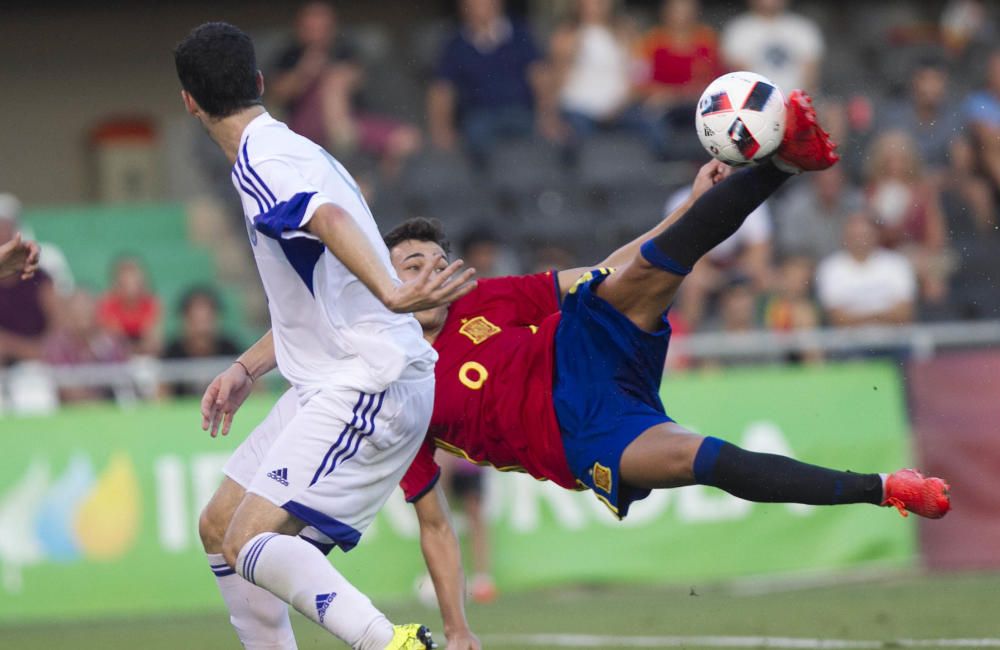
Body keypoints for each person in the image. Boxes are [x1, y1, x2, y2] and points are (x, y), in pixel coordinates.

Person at [210, 92, 950, 648]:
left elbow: (601, 269)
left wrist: (689, 206)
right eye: (412, 264)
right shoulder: (396, 393)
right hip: (586, 435)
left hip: (586, 346)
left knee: (657, 266)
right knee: (706, 461)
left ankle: (785, 162)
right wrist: (458, 627)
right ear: (387, 280)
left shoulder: (490, 299)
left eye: (438, 261)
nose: (434, 270)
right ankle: (884, 491)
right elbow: (434, 524)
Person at [174, 22, 475, 650]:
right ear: (259, 83)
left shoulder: (265, 160)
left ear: (189, 101)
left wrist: (394, 292)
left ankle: (389, 644)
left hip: (369, 378)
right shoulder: (287, 149)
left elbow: (327, 217)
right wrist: (249, 367)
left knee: (253, 539)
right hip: (330, 374)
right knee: (220, 526)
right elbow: (316, 293)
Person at [268, 2, 421, 177]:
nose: (318, 33)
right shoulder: (289, 54)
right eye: (312, 27)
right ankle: (347, 152)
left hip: (349, 124)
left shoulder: (344, 50)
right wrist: (304, 72)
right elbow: (277, 94)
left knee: (407, 140)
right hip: (305, 130)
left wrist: (336, 75)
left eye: (324, 27)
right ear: (301, 28)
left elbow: (357, 77)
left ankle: (383, 186)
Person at [427, 0, 559, 163]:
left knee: (538, 150)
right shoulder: (454, 44)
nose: (480, 6)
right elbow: (442, 90)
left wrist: (548, 116)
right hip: (478, 118)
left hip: (520, 112)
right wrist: (441, 129)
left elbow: (540, 77)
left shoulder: (520, 34)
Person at [863, 131, 951, 304]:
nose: (895, 166)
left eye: (901, 159)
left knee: (933, 281)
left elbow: (936, 237)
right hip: (881, 258)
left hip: (918, 256)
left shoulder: (924, 192)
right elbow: (868, 236)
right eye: (889, 160)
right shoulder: (870, 193)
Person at [632, 0, 722, 159]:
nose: (682, 15)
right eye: (677, 9)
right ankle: (664, 164)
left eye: (687, 9)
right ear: (666, 12)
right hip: (664, 103)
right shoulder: (652, 41)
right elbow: (639, 81)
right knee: (650, 120)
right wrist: (664, 95)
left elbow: (718, 78)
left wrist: (693, 93)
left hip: (697, 101)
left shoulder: (707, 38)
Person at [548, 0, 636, 143]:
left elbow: (632, 74)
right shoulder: (566, 35)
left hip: (618, 109)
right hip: (579, 109)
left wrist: (620, 105)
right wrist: (551, 115)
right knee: (577, 140)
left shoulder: (622, 33)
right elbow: (557, 77)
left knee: (650, 129)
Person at [815, 212, 918, 327]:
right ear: (845, 236)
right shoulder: (830, 268)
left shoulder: (897, 263)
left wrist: (858, 317)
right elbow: (837, 318)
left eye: (864, 235)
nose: (860, 240)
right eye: (855, 235)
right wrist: (880, 315)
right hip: (847, 342)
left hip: (894, 340)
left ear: (876, 235)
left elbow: (904, 314)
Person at [43, 288, 129, 404]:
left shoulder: (110, 341)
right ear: (67, 314)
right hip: (72, 413)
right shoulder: (57, 345)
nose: (82, 314)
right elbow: (67, 389)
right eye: (76, 310)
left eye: (86, 308)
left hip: (112, 409)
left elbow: (122, 379)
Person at [721, 0, 824, 94]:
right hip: (754, 104)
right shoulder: (738, 30)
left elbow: (810, 76)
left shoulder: (804, 28)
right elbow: (740, 77)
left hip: (795, 104)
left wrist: (799, 105)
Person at [0, 201, 56, 365]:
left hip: (36, 364)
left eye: (6, 227)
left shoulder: (39, 278)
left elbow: (58, 326)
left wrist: (20, 349)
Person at [162, 286, 242, 397]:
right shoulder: (171, 354)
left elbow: (255, 387)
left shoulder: (231, 350)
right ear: (185, 320)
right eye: (196, 321)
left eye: (207, 320)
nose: (202, 329)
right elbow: (161, 395)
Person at [97, 256, 163, 356]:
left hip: (145, 358)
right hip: (115, 358)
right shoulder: (106, 304)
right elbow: (114, 342)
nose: (130, 282)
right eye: (125, 278)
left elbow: (153, 345)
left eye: (134, 277)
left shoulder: (153, 304)